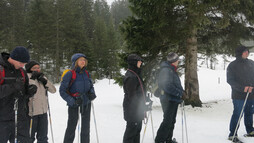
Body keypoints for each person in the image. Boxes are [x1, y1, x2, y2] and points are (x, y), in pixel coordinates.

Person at [0, 46, 37, 143]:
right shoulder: (1, 70)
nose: (22, 65)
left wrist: (29, 91)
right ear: (13, 58)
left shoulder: (22, 72)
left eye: (24, 64)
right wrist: (12, 87)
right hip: (2, 119)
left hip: (20, 118)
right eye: (21, 63)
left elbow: (24, 93)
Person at [60, 53, 96, 143]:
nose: (83, 61)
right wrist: (72, 101)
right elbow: (62, 91)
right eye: (81, 60)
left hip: (86, 103)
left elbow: (91, 86)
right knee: (71, 127)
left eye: (84, 60)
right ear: (75, 62)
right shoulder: (69, 74)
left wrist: (92, 93)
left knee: (86, 127)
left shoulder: (87, 73)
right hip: (74, 103)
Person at [227, 45, 254, 142]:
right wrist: (243, 88)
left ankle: (250, 130)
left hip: (251, 94)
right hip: (238, 95)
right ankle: (232, 134)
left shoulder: (251, 63)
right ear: (239, 53)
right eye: (245, 51)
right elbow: (230, 80)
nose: (247, 53)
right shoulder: (232, 65)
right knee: (238, 114)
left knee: (249, 113)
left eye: (247, 51)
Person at [122, 54, 152, 143]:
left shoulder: (136, 74)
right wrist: (143, 107)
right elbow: (132, 97)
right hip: (132, 110)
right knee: (131, 132)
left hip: (136, 110)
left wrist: (145, 98)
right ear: (134, 63)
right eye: (139, 62)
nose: (141, 63)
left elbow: (139, 91)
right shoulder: (131, 77)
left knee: (137, 131)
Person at [155, 52, 184, 143]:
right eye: (177, 60)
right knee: (167, 121)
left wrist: (181, 92)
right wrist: (179, 93)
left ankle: (168, 139)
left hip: (172, 99)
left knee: (171, 121)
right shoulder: (166, 70)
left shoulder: (171, 69)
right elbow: (167, 85)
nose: (178, 61)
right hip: (168, 99)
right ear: (173, 61)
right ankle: (159, 140)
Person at [25, 60, 56, 143]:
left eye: (38, 68)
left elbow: (53, 90)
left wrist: (44, 81)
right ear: (29, 69)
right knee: (29, 138)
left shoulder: (42, 77)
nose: (37, 69)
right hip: (31, 113)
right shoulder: (25, 77)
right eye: (34, 68)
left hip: (43, 112)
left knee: (43, 138)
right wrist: (32, 79)